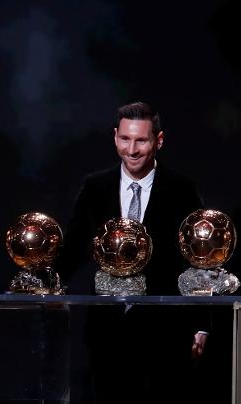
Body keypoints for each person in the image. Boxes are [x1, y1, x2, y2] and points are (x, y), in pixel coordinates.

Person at [58, 102, 208, 404]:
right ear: (115, 137)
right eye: (125, 139)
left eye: (141, 140)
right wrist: (41, 282)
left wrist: (202, 324)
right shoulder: (95, 187)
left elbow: (198, 260)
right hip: (107, 329)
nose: (132, 150)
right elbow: (72, 249)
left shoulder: (181, 189)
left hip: (165, 330)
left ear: (158, 141)